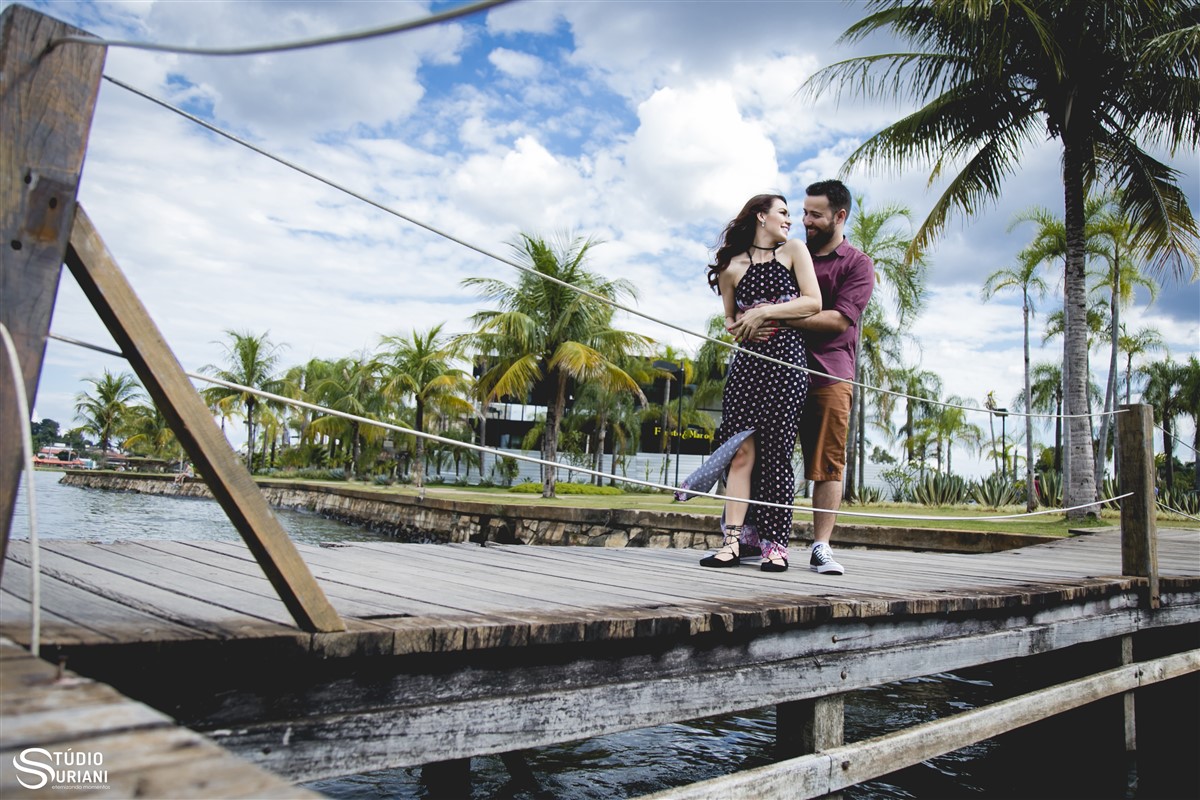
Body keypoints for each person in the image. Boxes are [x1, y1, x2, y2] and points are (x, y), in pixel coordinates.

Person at [676, 194, 821, 572]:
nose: (790, 220)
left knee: (776, 454)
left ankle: (776, 546)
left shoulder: (793, 251)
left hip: (787, 363)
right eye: (783, 213)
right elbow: (729, 321)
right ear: (762, 215)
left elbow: (813, 302)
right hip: (747, 368)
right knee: (740, 453)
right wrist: (744, 327)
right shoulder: (731, 269)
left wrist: (766, 312)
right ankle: (732, 542)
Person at [787, 179, 875, 575]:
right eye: (803, 212)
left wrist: (778, 314)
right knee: (763, 455)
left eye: (815, 214)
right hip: (781, 370)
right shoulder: (791, 255)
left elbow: (840, 320)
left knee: (826, 464)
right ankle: (760, 537)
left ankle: (821, 545)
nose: (805, 220)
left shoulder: (857, 263)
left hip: (830, 375)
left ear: (840, 216)